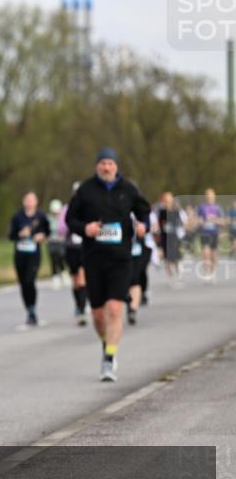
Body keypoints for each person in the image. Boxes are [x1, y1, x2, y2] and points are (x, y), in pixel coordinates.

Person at [66, 147, 151, 382]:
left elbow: (144, 211)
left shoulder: (128, 190)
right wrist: (85, 228)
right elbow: (69, 219)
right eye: (103, 163)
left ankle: (109, 359)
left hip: (120, 258)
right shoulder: (85, 190)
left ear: (116, 166)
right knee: (97, 314)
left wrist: (144, 226)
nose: (106, 167)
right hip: (93, 258)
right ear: (97, 166)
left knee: (114, 309)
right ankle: (107, 343)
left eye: (110, 163)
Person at [8, 192, 51, 326]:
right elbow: (10, 235)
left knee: (29, 280)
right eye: (27, 199)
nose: (29, 202)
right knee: (23, 283)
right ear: (23, 201)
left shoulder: (41, 216)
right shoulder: (17, 216)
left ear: (36, 202)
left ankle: (33, 309)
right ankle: (28, 309)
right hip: (20, 254)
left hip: (34, 254)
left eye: (32, 200)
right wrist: (20, 234)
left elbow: (48, 232)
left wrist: (41, 236)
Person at [60, 182, 88, 326]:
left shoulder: (90, 207)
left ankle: (82, 309)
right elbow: (62, 228)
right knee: (75, 279)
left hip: (85, 246)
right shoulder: (67, 208)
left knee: (83, 277)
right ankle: (78, 304)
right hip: (71, 247)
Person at [127, 212, 153, 325]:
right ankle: (129, 301)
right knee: (125, 280)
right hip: (118, 250)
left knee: (135, 278)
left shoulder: (139, 208)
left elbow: (147, 225)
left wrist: (143, 227)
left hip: (137, 248)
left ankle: (133, 309)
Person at [156, 192, 186, 287]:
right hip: (165, 237)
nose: (168, 202)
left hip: (174, 237)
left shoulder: (176, 211)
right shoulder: (161, 211)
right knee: (167, 258)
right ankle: (170, 277)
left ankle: (179, 276)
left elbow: (180, 223)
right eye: (166, 200)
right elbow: (159, 224)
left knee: (176, 257)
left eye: (169, 199)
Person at [196, 188, 223, 282]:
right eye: (208, 196)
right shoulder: (201, 207)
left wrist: (215, 220)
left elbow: (221, 221)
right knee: (206, 253)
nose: (210, 198)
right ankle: (208, 272)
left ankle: (213, 271)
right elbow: (198, 220)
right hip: (204, 232)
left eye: (211, 196)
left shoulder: (218, 207)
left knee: (214, 254)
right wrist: (203, 221)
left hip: (214, 232)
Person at [46, 199, 68, 290]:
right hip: (52, 242)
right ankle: (55, 277)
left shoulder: (63, 218)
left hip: (61, 242)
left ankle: (63, 272)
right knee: (53, 258)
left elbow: (66, 229)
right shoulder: (48, 218)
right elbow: (46, 230)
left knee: (61, 257)